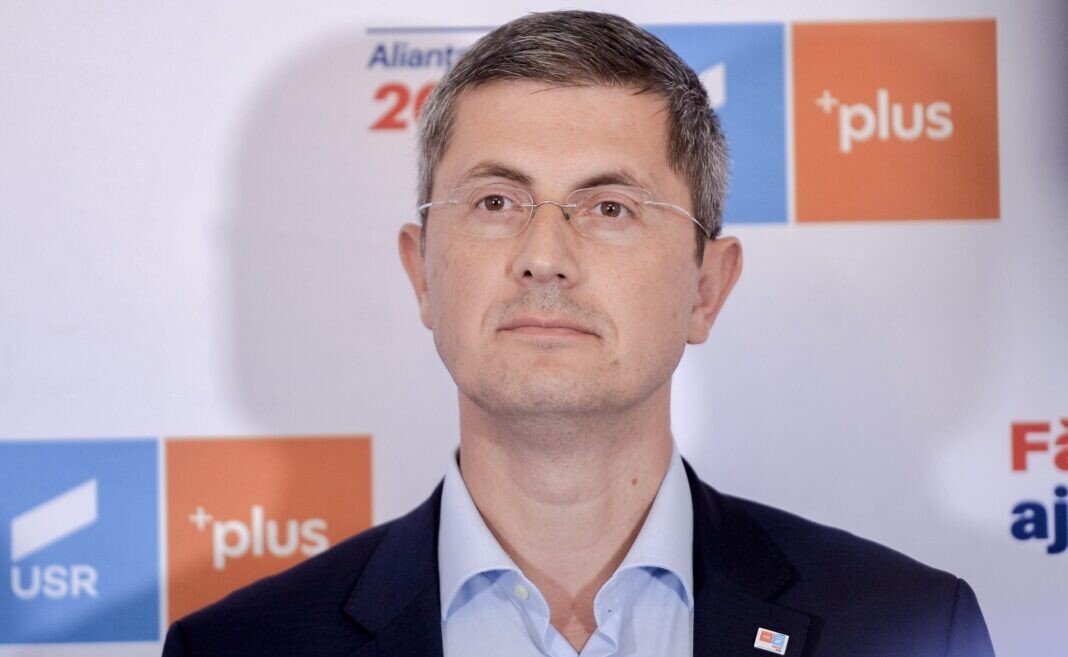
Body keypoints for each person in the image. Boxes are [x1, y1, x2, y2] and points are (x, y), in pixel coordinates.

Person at [163, 10, 996, 657]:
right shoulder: (238, 648)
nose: (544, 257)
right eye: (496, 201)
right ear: (422, 274)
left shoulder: (910, 627)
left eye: (610, 207)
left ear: (707, 287)